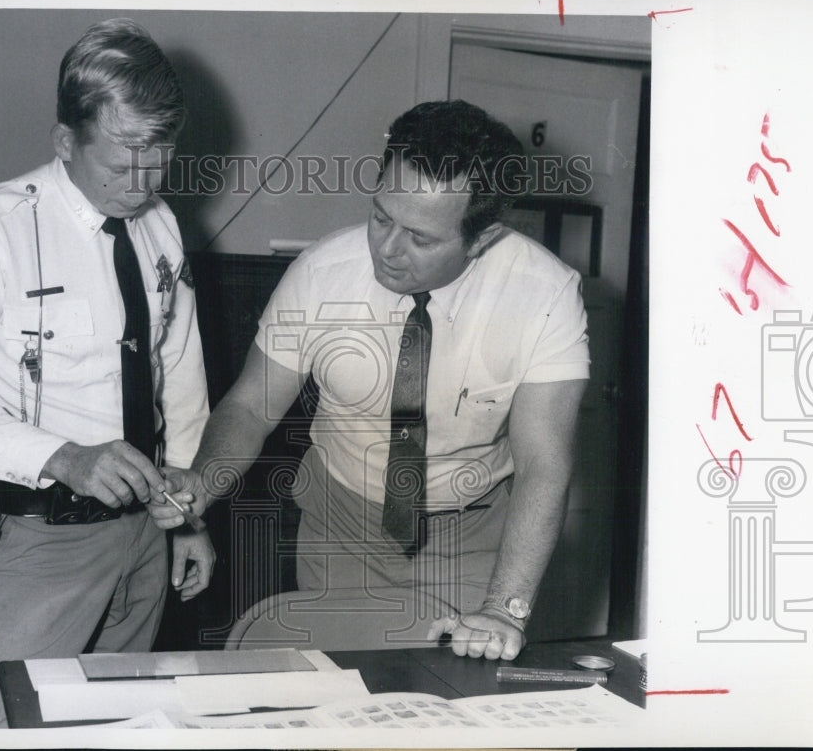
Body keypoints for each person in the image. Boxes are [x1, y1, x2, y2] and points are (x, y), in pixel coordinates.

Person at [149, 100, 589, 662]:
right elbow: (252, 407)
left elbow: (543, 464)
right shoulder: (322, 273)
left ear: (481, 238)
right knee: (339, 693)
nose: (387, 249)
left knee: (454, 698)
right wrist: (203, 483)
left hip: (471, 539)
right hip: (339, 529)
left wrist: (506, 608)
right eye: (381, 217)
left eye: (420, 239)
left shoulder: (545, 294)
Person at [0, 18, 213, 727]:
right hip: (43, 537)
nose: (144, 183)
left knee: (123, 723)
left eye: (160, 158)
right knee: (20, 725)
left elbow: (179, 372)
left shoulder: (160, 225)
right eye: (123, 162)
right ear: (66, 141)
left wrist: (191, 515)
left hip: (147, 533)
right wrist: (65, 457)